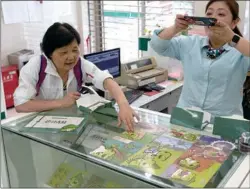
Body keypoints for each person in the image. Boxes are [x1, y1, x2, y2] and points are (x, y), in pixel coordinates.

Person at [14, 22, 138, 131]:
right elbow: (21, 104)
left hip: (70, 124)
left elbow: (105, 79)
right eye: (64, 52)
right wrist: (61, 103)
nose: (71, 57)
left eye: (75, 50)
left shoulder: (80, 64)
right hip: (41, 129)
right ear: (49, 53)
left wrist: (123, 104)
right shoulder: (35, 67)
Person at [150, 0, 250, 117]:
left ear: (234, 22)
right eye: (209, 14)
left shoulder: (242, 51)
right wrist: (175, 28)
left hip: (223, 122)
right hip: (187, 117)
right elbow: (157, 45)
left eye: (221, 14)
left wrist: (232, 38)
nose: (213, 19)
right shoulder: (190, 43)